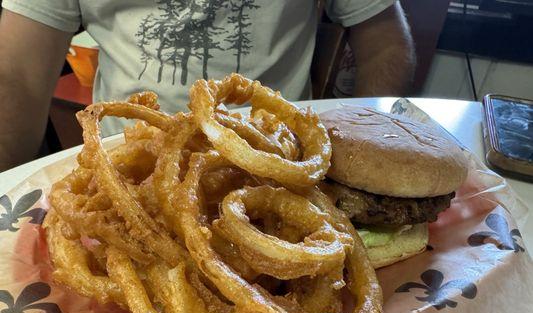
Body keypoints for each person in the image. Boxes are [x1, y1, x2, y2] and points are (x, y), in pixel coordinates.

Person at [0, 1, 415, 171]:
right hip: (124, 166)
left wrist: (361, 154)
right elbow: (14, 74)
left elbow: (386, 44)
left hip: (279, 165)